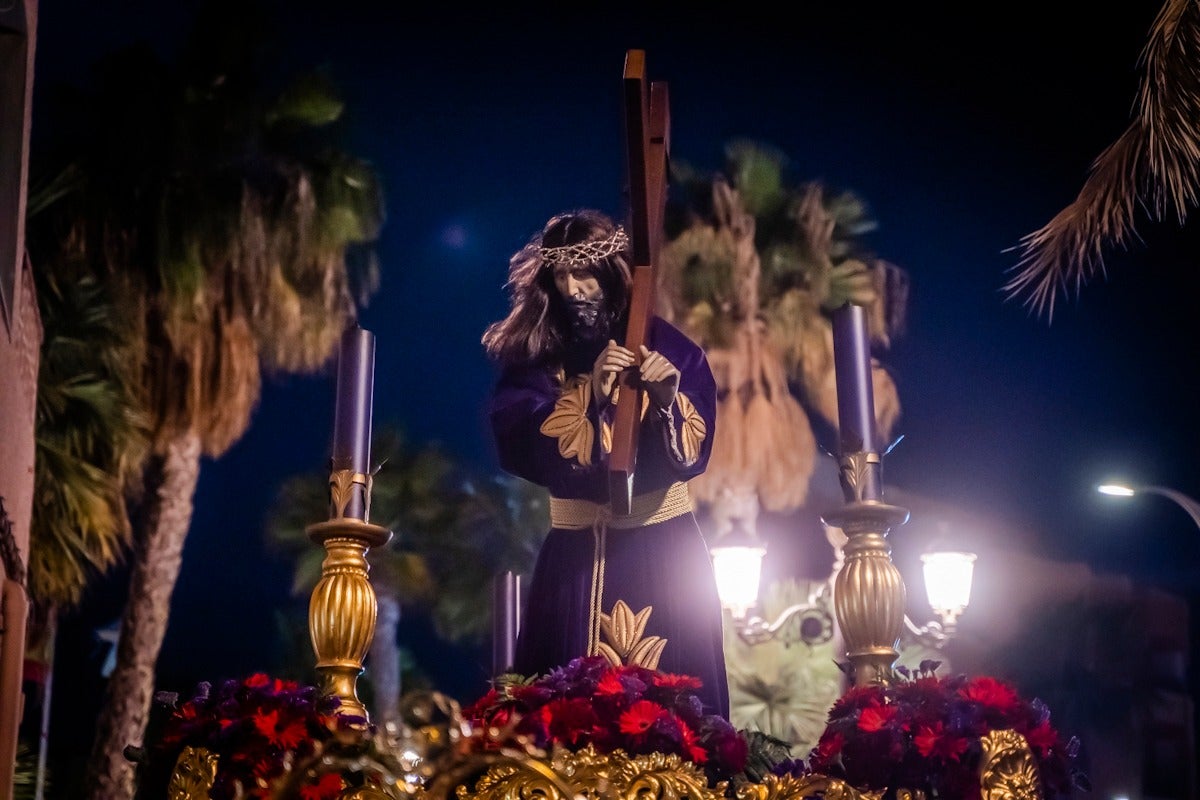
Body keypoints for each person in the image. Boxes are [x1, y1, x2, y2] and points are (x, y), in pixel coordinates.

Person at [482, 208, 729, 718]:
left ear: (612, 273)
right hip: (574, 558)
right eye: (563, 275)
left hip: (664, 548)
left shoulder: (671, 348)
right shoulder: (536, 358)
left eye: (586, 273)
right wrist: (588, 393)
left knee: (679, 708)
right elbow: (517, 432)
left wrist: (666, 401)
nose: (574, 289)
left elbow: (692, 452)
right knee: (564, 704)